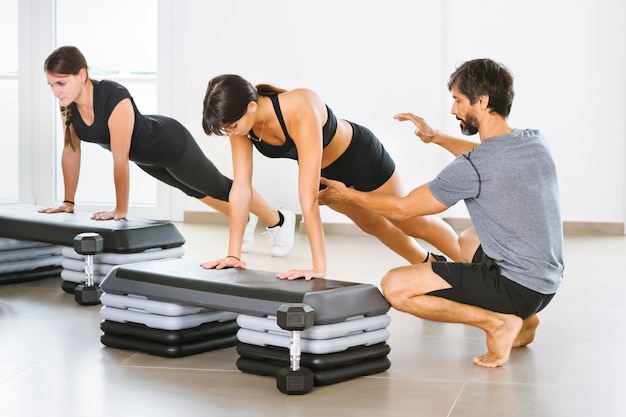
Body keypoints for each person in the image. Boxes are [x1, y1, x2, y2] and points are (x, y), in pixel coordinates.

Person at [318, 58, 564, 368]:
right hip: (545, 283)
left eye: (458, 100)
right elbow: (487, 157)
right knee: (468, 238)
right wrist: (436, 138)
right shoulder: (533, 142)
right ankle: (525, 320)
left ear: (483, 101)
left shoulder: (472, 167)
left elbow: (403, 209)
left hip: (515, 285)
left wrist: (348, 195)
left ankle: (497, 322)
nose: (453, 110)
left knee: (395, 287)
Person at [201, 75, 463, 280]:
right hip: (327, 173)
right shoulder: (242, 129)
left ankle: (471, 264)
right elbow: (241, 189)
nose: (230, 133)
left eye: (231, 126)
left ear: (251, 106)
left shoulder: (299, 106)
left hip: (361, 158)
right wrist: (233, 255)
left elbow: (307, 197)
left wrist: (318, 267)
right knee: (373, 226)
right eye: (226, 129)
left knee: (407, 220)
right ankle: (432, 266)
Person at [40, 45, 295, 256]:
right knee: (192, 189)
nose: (55, 92)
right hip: (146, 157)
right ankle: (244, 219)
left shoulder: (113, 96)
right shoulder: (68, 106)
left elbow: (119, 158)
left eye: (61, 83)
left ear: (82, 75)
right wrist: (68, 202)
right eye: (51, 85)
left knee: (218, 187)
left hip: (170, 143)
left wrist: (120, 209)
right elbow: (71, 151)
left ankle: (279, 220)